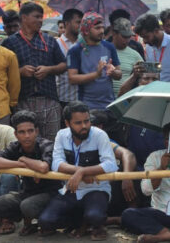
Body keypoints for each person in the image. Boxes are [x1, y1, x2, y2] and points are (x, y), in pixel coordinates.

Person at [38, 101, 118, 240]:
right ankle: (82, 223)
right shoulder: (61, 135)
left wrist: (81, 173)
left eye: (87, 121)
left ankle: (92, 222)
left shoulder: (99, 135)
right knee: (45, 221)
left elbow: (111, 164)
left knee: (95, 216)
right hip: (71, 189)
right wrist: (81, 171)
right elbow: (56, 163)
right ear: (67, 123)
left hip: (96, 189)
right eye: (78, 123)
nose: (84, 126)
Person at [0, 110, 61, 236]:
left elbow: (43, 168)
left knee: (28, 206)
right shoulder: (15, 146)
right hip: (27, 193)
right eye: (22, 132)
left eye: (30, 131)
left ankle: (48, 223)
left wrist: (24, 159)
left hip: (51, 194)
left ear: (36, 131)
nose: (27, 136)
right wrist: (21, 164)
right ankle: (28, 223)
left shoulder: (46, 145)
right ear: (15, 134)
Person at [2, 2, 66, 141]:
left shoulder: (49, 40)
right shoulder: (10, 43)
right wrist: (19, 72)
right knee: (25, 143)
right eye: (36, 17)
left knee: (51, 144)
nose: (40, 20)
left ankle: (48, 164)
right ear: (24, 18)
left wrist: (49, 69)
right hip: (22, 100)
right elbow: (1, 72)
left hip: (49, 100)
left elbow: (63, 65)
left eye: (41, 17)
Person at [66, 12, 122, 110]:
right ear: (86, 30)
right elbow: (72, 78)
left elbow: (119, 74)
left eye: (102, 27)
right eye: (97, 28)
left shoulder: (109, 47)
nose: (101, 31)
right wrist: (96, 74)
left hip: (109, 105)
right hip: (87, 107)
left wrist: (113, 72)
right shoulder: (75, 50)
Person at [134, 14, 170, 83]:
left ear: (156, 31)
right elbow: (152, 72)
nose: (144, 41)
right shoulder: (149, 47)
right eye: (142, 37)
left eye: (146, 37)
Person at [55, 8, 83, 108]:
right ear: (67, 23)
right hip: (62, 97)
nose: (81, 26)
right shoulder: (56, 44)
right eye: (78, 22)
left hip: (81, 97)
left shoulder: (84, 44)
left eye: (82, 22)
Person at [111, 17, 144, 97]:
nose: (127, 40)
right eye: (124, 37)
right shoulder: (104, 50)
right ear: (114, 33)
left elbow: (144, 77)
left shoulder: (135, 55)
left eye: (129, 37)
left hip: (125, 99)